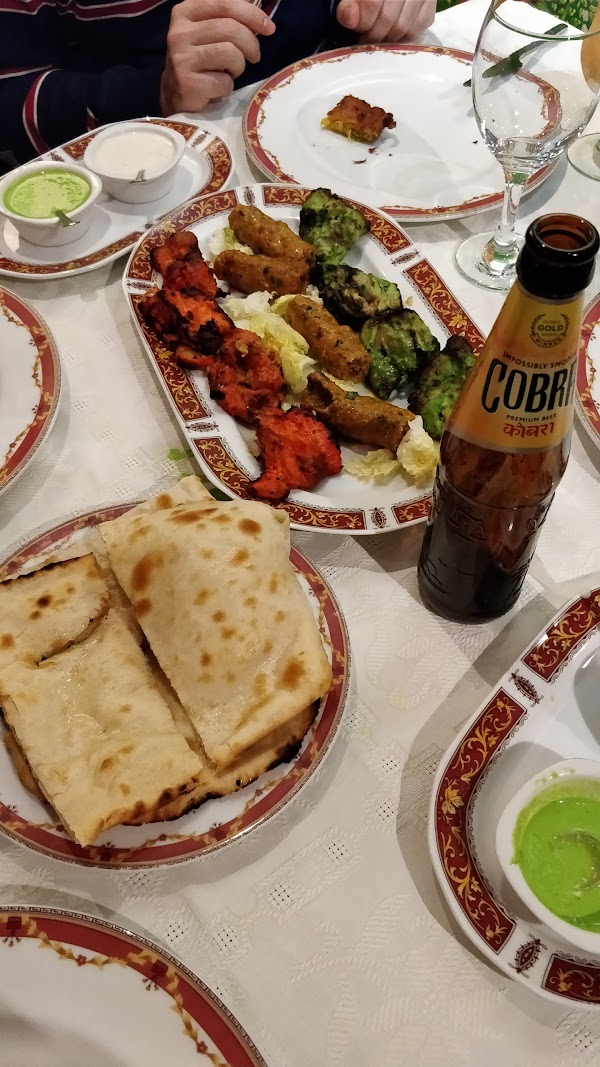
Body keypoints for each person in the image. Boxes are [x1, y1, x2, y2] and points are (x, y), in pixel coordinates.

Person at [0, 0, 436, 166]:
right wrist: (155, 93)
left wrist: (386, 11)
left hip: (370, 145)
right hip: (146, 177)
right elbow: (10, 100)